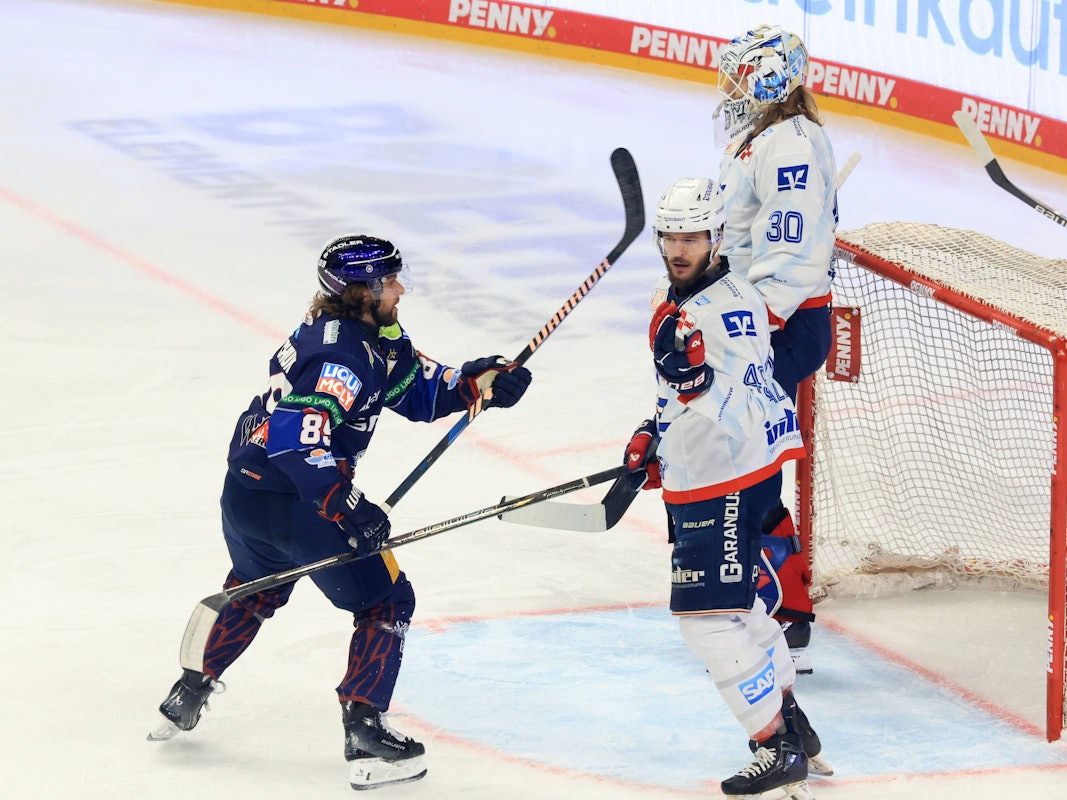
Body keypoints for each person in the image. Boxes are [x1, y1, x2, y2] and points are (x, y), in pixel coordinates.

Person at [147, 235, 532, 791]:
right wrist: (347, 507)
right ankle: (365, 733)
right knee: (386, 598)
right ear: (361, 290)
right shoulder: (343, 356)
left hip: (246, 500)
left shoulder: (357, 336)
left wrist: (480, 381)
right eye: (389, 281)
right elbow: (297, 441)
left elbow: (419, 390)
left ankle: (187, 692)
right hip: (300, 503)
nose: (400, 289)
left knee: (258, 584)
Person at [624, 178, 827, 798]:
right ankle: (792, 726)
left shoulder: (727, 311)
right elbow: (679, 389)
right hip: (710, 474)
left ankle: (775, 747)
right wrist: (654, 433)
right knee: (742, 609)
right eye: (671, 237)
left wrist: (696, 384)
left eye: (693, 237)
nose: (680, 248)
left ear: (715, 238)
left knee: (707, 621)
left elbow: (744, 397)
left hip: (729, 481)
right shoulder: (686, 295)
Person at [713, 23, 840, 673]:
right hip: (752, 324)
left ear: (768, 79)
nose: (727, 88)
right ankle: (782, 605)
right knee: (740, 460)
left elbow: (789, 255)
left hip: (780, 330)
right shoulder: (759, 138)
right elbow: (731, 238)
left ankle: (779, 608)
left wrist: (743, 331)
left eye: (739, 75)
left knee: (749, 465)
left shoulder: (791, 144)